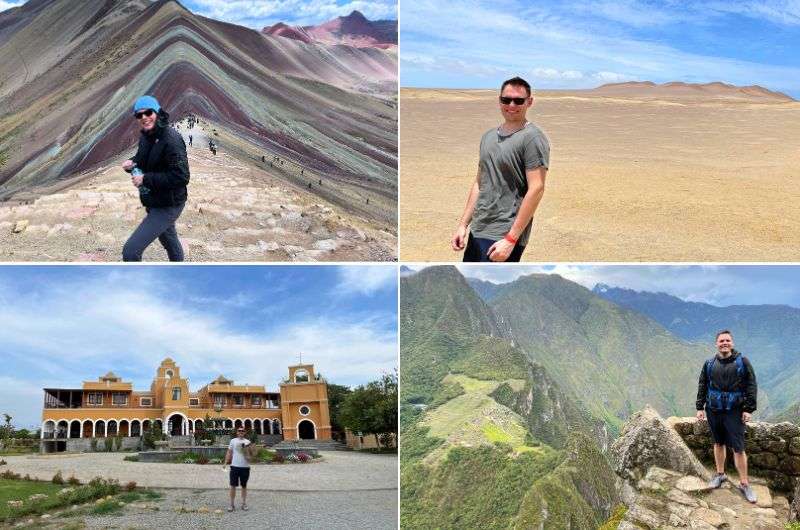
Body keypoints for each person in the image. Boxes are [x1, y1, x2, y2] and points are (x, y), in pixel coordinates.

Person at [451, 76, 549, 262]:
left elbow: (537, 188)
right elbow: (480, 183)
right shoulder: (488, 137)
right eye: (506, 100)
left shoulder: (532, 138)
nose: (511, 105)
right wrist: (463, 225)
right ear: (499, 101)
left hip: (503, 234)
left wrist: (511, 239)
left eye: (518, 100)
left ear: (529, 102)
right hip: (479, 229)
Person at [121, 95, 189, 261]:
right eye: (139, 115)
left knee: (130, 251)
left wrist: (145, 179)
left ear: (157, 112)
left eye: (148, 112)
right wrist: (133, 163)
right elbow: (142, 158)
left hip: (169, 204)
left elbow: (181, 176)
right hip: (155, 200)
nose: (144, 117)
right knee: (169, 240)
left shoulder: (171, 139)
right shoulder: (146, 135)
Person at [695, 330, 758, 503]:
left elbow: (751, 384)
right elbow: (703, 384)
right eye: (721, 340)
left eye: (727, 340)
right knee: (718, 443)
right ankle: (720, 474)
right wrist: (700, 407)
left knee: (738, 447)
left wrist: (748, 409)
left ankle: (744, 483)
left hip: (734, 410)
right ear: (716, 343)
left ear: (732, 342)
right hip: (714, 410)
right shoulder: (709, 364)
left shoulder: (742, 362)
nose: (724, 343)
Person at [223, 427, 252, 511]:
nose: (241, 432)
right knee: (232, 486)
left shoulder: (247, 442)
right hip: (234, 466)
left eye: (242, 431)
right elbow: (229, 452)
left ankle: (244, 504)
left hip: (245, 467)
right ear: (237, 432)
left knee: (244, 486)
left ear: (245, 432)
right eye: (239, 431)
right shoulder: (233, 441)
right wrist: (225, 462)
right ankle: (231, 504)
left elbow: (251, 455)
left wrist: (248, 454)